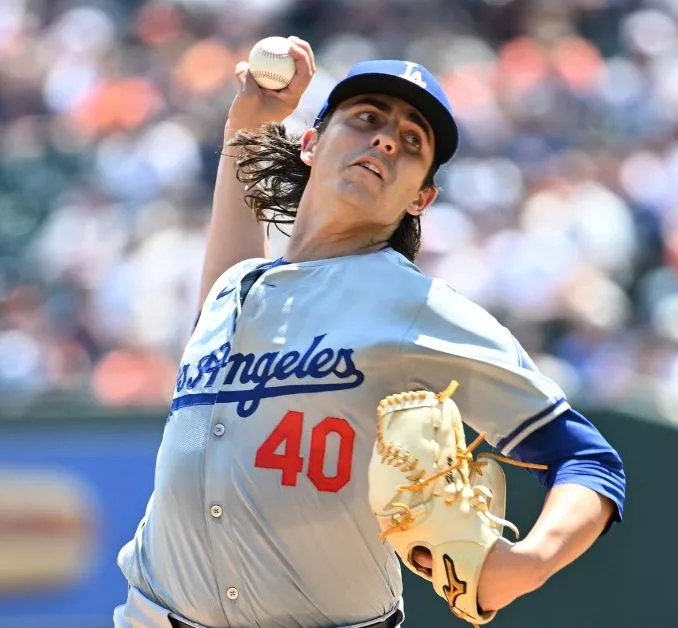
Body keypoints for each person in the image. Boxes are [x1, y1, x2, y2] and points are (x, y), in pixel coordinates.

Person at [113, 36, 626, 628]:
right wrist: (249, 124)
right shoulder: (236, 289)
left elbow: (587, 458)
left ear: (421, 198)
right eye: (366, 118)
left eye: (413, 141)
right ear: (310, 143)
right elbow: (231, 266)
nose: (386, 138)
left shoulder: (412, 305)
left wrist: (530, 563)